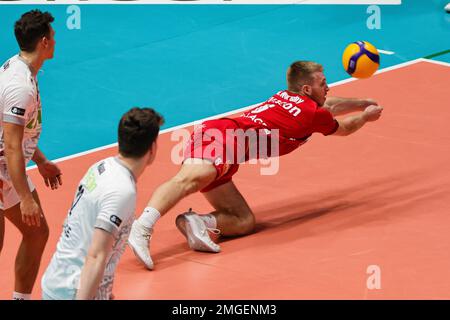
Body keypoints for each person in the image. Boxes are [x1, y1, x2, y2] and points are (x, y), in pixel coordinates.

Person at [128, 61, 383, 270]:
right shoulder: (312, 114)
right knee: (190, 179)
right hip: (224, 137)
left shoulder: (289, 97)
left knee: (243, 220)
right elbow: (344, 127)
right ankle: (142, 227)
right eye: (322, 83)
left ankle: (198, 224)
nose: (328, 86)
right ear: (306, 89)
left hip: (231, 149)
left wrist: (361, 101)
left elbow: (330, 104)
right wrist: (365, 116)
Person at [41, 107, 163, 300]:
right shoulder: (123, 190)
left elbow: (71, 222)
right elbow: (96, 255)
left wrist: (103, 290)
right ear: (152, 149)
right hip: (74, 291)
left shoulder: (100, 167)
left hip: (58, 279)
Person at [0, 10, 62, 300]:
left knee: (37, 234)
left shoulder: (19, 68)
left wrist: (40, 160)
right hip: (3, 172)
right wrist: (25, 197)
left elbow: (17, 134)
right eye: (52, 35)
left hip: (7, 169)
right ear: (43, 42)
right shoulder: (20, 87)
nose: (55, 39)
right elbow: (11, 145)